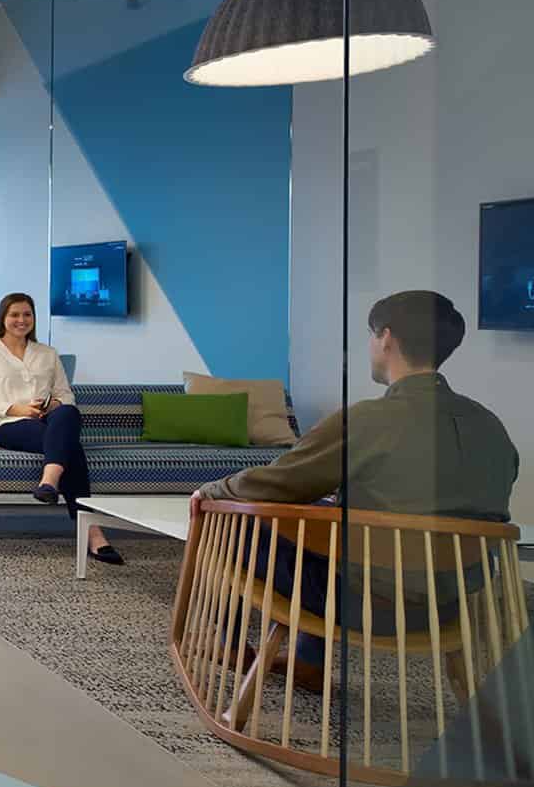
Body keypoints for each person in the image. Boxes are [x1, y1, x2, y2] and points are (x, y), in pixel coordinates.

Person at [192, 289, 519, 691]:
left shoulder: (365, 421)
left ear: (386, 337)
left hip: (364, 603)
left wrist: (212, 488)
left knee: (226, 517)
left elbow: (276, 482)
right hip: (450, 604)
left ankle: (230, 644)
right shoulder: (492, 428)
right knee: (330, 521)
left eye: (370, 336)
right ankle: (307, 661)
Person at [0, 292, 120, 564]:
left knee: (68, 411)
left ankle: (49, 481)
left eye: (27, 314)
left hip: (49, 421)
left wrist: (53, 404)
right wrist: (16, 409)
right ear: (3, 318)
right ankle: (93, 532)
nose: (21, 320)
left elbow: (66, 395)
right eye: (14, 315)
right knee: (71, 447)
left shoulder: (48, 353)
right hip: (8, 424)